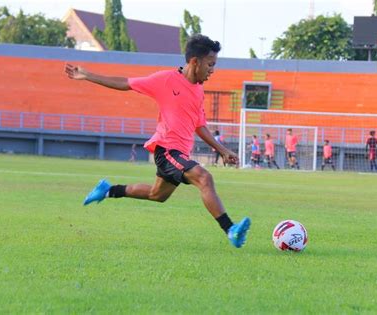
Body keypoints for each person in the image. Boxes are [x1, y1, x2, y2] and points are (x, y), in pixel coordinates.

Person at [65, 34, 250, 248]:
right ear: (194, 62)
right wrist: (87, 75)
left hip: (179, 154)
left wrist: (222, 150)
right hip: (167, 150)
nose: (212, 70)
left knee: (157, 194)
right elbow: (126, 83)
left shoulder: (199, 91)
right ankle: (231, 229)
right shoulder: (165, 80)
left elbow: (199, 125)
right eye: (210, 64)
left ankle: (108, 190)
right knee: (204, 178)